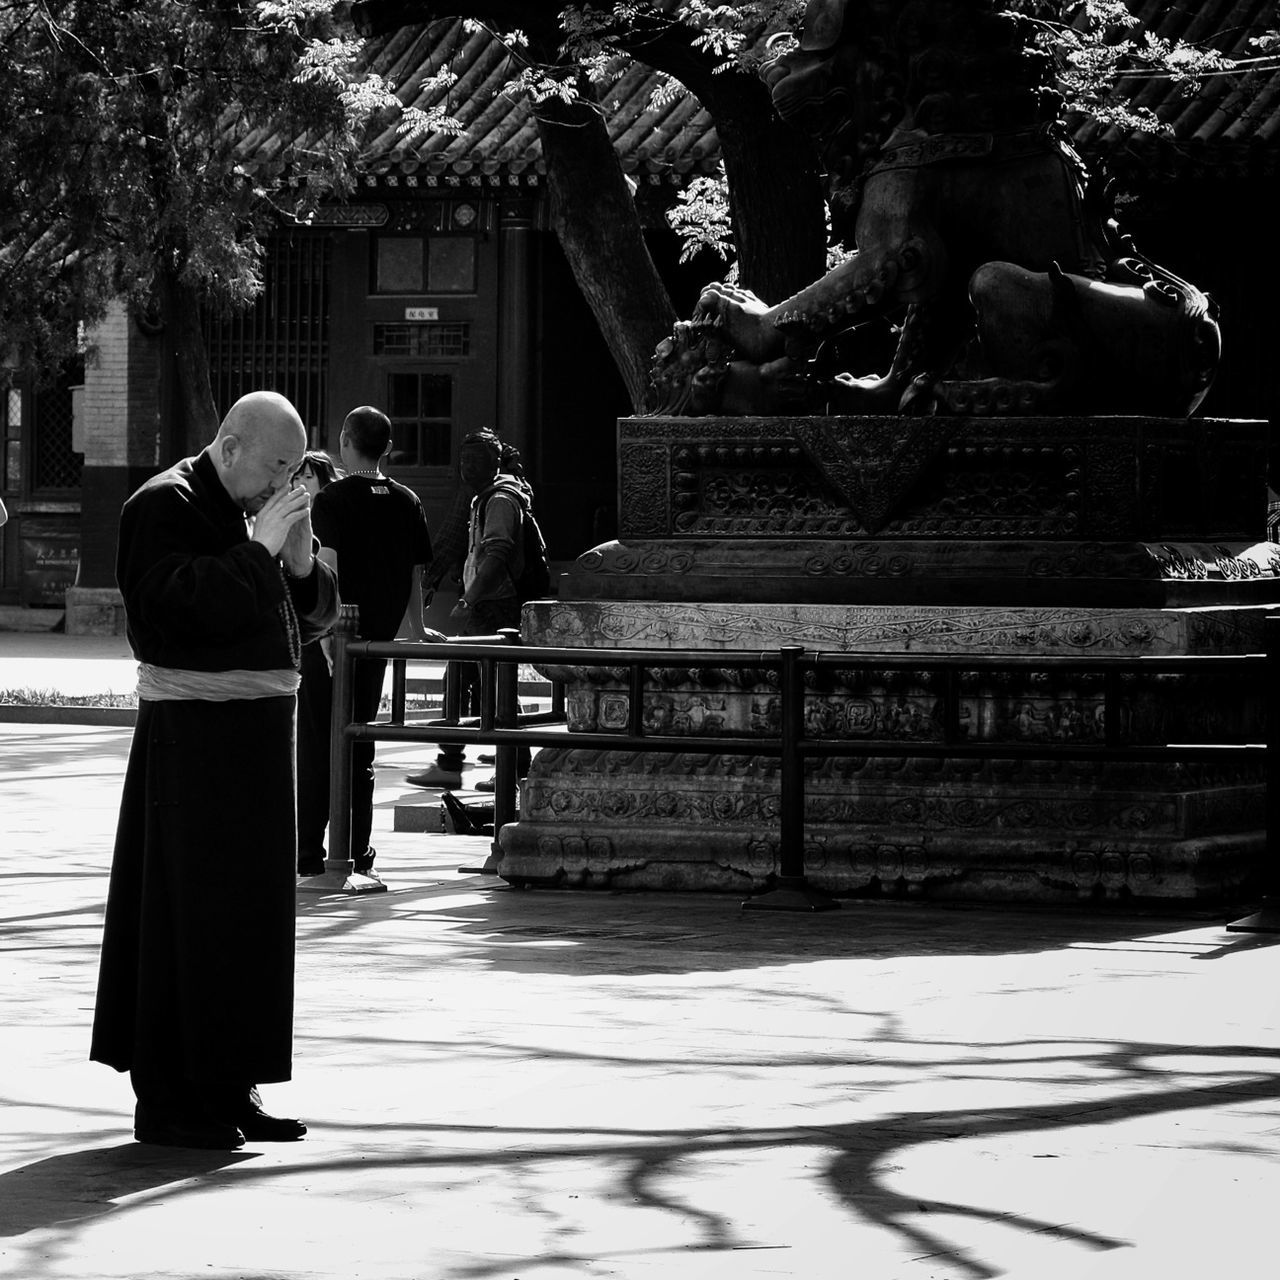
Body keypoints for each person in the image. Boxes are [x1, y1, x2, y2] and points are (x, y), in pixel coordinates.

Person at [90, 390, 338, 1151]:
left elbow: (313, 617)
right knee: (185, 921)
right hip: (191, 743)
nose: (281, 486)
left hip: (258, 743)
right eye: (275, 467)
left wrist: (298, 567)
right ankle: (170, 1099)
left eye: (294, 472)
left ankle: (234, 1083)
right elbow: (171, 610)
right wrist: (261, 551)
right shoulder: (159, 504)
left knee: (251, 921)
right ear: (230, 447)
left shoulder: (248, 509)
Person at [295, 406, 441, 877]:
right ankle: (358, 850)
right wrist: (416, 630)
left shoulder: (332, 499)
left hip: (331, 640)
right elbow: (416, 571)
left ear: (344, 441)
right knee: (361, 746)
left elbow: (329, 564)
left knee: (319, 745)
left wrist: (325, 628)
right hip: (376, 642)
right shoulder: (407, 500)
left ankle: (310, 853)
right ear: (389, 449)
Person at [407, 430, 533, 790]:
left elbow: (497, 554)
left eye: (476, 460)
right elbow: (452, 538)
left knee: (491, 684)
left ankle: (503, 763)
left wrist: (469, 598)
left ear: (494, 462)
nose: (467, 467)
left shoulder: (500, 500)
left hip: (494, 605)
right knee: (471, 680)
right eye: (464, 460)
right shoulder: (482, 496)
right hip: (486, 602)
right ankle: (455, 761)